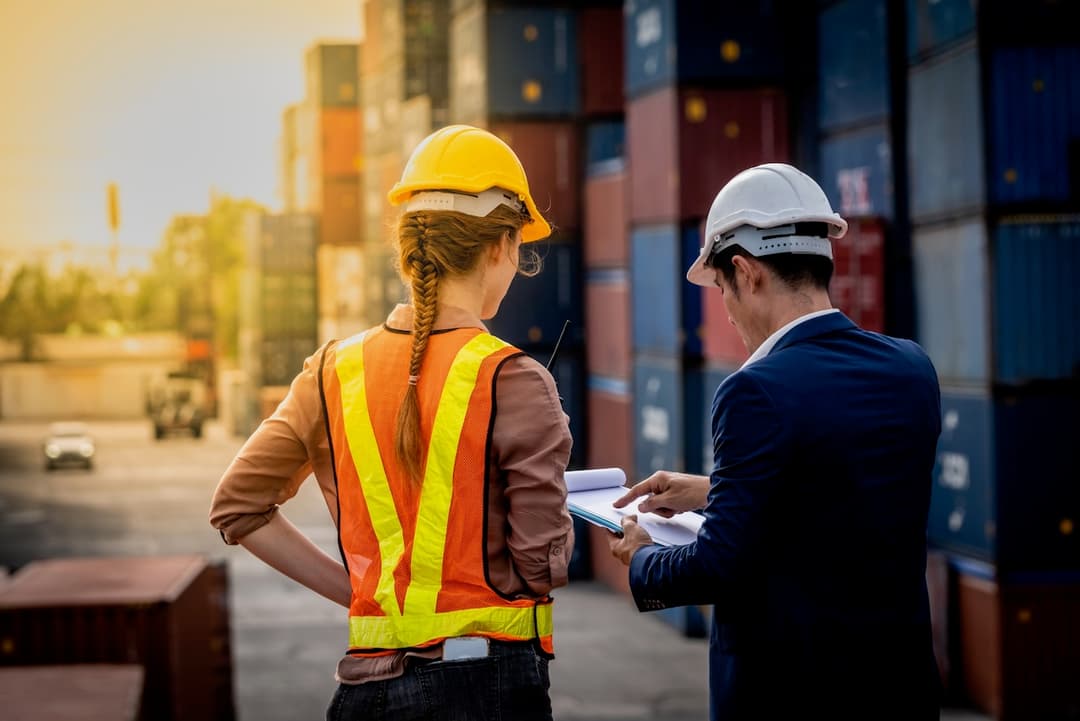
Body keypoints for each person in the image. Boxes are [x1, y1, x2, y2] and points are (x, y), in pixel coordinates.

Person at [210, 125, 574, 721]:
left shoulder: (332, 371)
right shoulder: (515, 379)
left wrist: (360, 596)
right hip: (488, 691)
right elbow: (541, 566)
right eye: (518, 248)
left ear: (410, 248)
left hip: (364, 694)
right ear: (501, 246)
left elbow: (236, 507)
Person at [608, 163, 942, 720]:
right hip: (900, 691)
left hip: (791, 697)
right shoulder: (911, 368)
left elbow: (718, 565)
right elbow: (838, 494)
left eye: (720, 288)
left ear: (746, 271)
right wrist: (715, 491)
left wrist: (642, 556)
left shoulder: (754, 391)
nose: (729, 312)